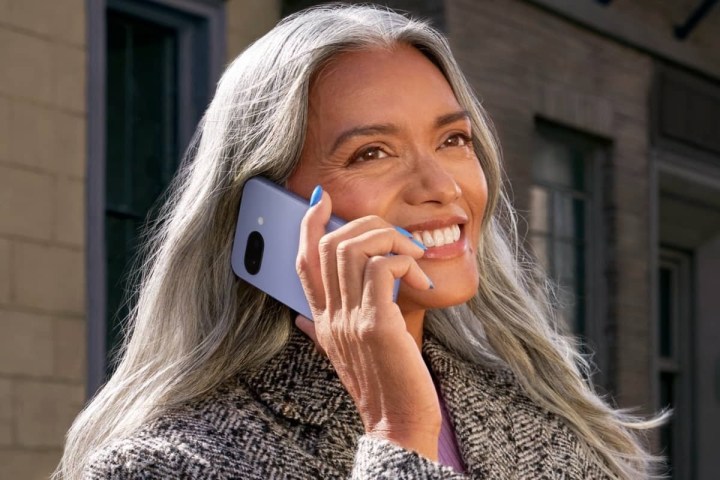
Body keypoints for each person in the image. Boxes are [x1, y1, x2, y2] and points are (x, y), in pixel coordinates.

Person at [56, 4, 665, 479]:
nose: (440, 186)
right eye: (371, 153)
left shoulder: (545, 423)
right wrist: (400, 428)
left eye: (453, 140)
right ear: (269, 210)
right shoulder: (171, 464)